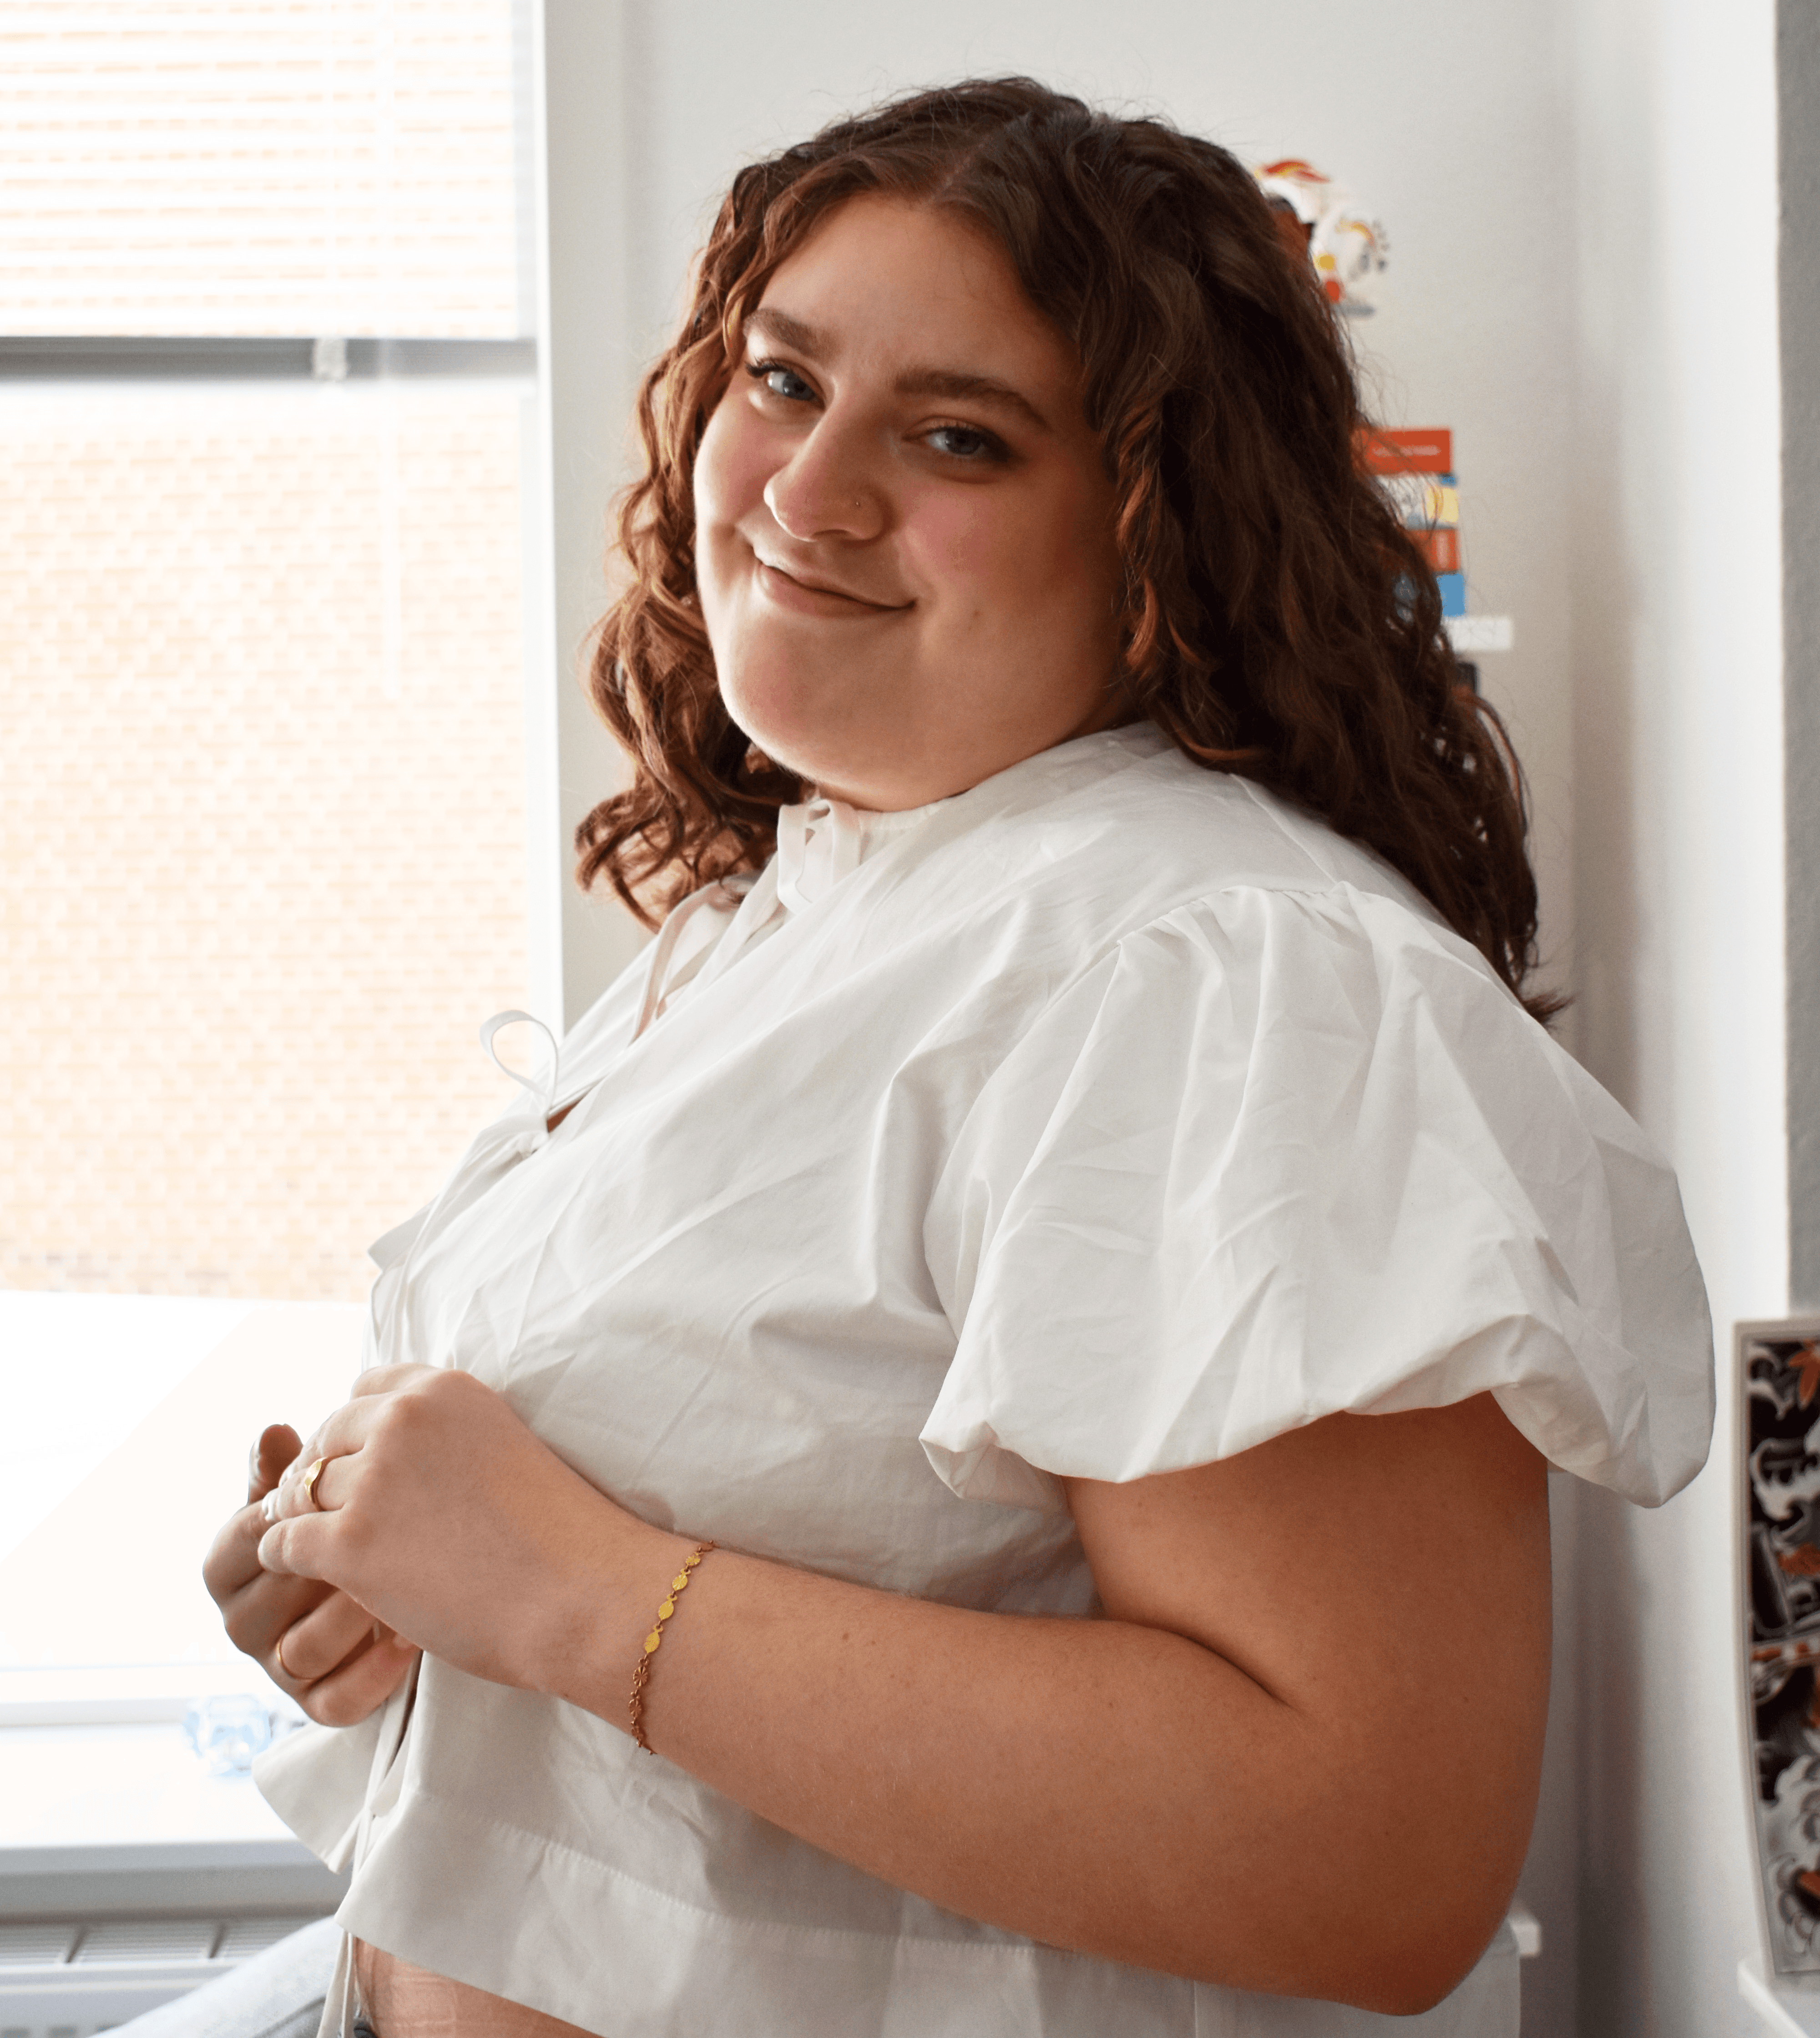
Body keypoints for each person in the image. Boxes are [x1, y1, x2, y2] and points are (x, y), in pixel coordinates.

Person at [193, 77, 1711, 2038]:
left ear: (1165, 529)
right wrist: (383, 1581)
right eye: (781, 379)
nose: (808, 492)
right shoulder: (815, 897)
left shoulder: (1218, 977)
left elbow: (1365, 1851)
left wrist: (566, 1590)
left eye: (955, 438)